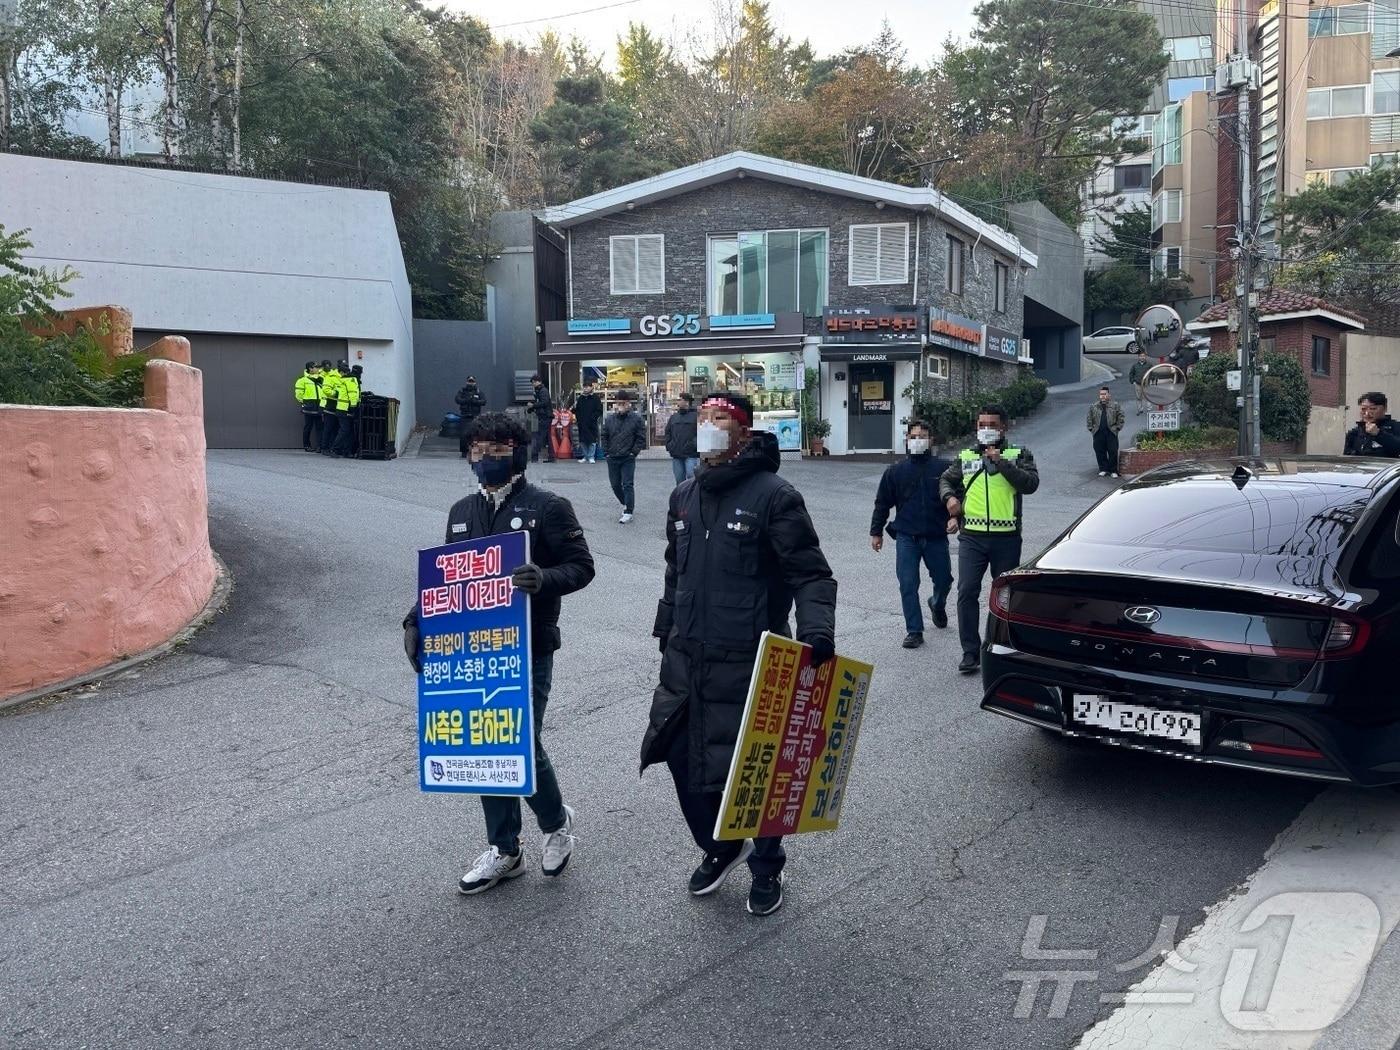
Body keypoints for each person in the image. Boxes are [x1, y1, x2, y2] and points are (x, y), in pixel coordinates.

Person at [642, 394, 836, 917]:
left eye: (719, 418)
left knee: (757, 772)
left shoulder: (775, 495)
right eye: (702, 417)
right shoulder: (683, 494)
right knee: (682, 758)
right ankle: (722, 845)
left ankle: (767, 867)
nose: (707, 425)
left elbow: (810, 574)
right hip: (686, 657)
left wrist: (817, 632)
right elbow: (673, 570)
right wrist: (666, 627)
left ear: (744, 430)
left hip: (752, 657)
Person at [402, 411, 595, 895]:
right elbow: (447, 577)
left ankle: (556, 826)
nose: (486, 459)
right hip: (469, 652)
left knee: (521, 740)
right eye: (478, 451)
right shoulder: (461, 512)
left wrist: (544, 578)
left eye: (497, 450)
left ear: (519, 452)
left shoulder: (549, 507)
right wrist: (415, 620)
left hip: (528, 646)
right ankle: (505, 849)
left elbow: (581, 566)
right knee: (486, 745)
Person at [940, 405, 1040, 675]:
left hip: (1006, 539)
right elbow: (946, 480)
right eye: (981, 424)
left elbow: (1030, 484)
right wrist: (949, 498)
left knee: (1005, 597)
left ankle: (1000, 646)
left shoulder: (1018, 454)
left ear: (1003, 427)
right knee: (967, 591)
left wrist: (1001, 463)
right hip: (971, 537)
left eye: (991, 425)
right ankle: (970, 652)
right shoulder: (966, 456)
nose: (985, 429)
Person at [870, 420, 954, 649]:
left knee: (944, 579)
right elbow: (882, 503)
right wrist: (876, 532)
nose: (918, 440)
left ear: (931, 440)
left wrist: (957, 517)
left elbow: (959, 495)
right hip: (907, 536)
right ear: (907, 440)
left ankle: (937, 603)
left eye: (922, 436)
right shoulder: (895, 471)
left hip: (936, 535)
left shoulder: (944, 469)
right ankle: (914, 630)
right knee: (908, 583)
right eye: (914, 436)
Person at [602, 390, 646, 523]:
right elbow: (604, 436)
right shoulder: (609, 419)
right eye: (618, 402)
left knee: (627, 484)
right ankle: (626, 503)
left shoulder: (636, 418)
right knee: (615, 485)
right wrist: (606, 452)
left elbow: (641, 437)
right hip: (613, 456)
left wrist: (634, 452)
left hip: (628, 457)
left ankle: (629, 510)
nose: (620, 405)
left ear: (628, 403)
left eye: (623, 403)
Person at [1344, 392, 1400, 457]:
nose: (1367, 413)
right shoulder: (1354, 433)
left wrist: (1379, 434)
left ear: (1385, 409)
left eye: (1372, 409)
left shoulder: (1396, 427)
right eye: (1363, 409)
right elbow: (1347, 459)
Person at [1086, 386, 1125, 478]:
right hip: (1098, 432)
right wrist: (1092, 429)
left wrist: (1117, 428)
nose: (1102, 396)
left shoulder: (1115, 405)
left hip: (1111, 432)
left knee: (1113, 451)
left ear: (1108, 395)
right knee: (1100, 451)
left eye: (1104, 394)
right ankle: (1103, 469)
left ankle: (1113, 470)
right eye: (1101, 394)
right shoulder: (1094, 406)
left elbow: (1121, 417)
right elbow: (1089, 418)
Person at [664, 392, 700, 484]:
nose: (678, 402)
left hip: (691, 454)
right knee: (679, 480)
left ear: (687, 402)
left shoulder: (696, 416)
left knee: (691, 478)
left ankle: (692, 497)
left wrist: (695, 445)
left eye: (680, 400)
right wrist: (669, 446)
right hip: (676, 454)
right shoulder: (674, 417)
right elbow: (668, 432)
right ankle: (680, 498)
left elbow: (701, 433)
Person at [333, 359, 360, 458]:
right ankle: (336, 449)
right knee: (345, 430)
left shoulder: (343, 381)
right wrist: (353, 407)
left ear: (343, 373)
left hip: (342, 408)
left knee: (347, 430)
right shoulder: (351, 380)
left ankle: (345, 451)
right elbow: (352, 395)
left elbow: (338, 393)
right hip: (346, 409)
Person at [454, 376, 486, 459]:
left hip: (475, 416)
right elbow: (457, 399)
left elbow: (484, 401)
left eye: (472, 381)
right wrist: (466, 400)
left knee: (476, 435)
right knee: (463, 434)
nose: (471, 383)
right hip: (465, 415)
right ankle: (464, 452)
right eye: (469, 381)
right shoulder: (462, 391)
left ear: (475, 382)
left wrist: (476, 402)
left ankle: (476, 451)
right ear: (467, 382)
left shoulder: (478, 392)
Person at [295, 361, 323, 452]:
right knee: (308, 427)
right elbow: (298, 394)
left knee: (319, 427)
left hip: (319, 406)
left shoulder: (321, 379)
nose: (318, 369)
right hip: (309, 407)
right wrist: (305, 403)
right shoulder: (302, 380)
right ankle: (307, 445)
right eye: (316, 367)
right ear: (310, 368)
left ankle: (320, 446)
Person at [573, 380, 604, 463]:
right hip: (582, 422)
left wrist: (593, 418)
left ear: (591, 387)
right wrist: (578, 418)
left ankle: (591, 456)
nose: (585, 389)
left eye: (587, 387)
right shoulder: (581, 398)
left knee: (592, 441)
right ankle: (585, 456)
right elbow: (577, 410)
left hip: (591, 423)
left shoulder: (595, 398)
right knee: (582, 441)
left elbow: (599, 410)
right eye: (584, 387)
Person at [318, 359, 341, 457]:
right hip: (326, 404)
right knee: (327, 428)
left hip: (337, 405)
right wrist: (336, 394)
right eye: (325, 365)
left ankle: (331, 447)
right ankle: (324, 447)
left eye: (329, 365)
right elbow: (327, 390)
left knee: (334, 428)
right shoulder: (326, 376)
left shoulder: (339, 377)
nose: (328, 367)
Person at [529, 375, 554, 463]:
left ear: (538, 381)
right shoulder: (540, 390)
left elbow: (544, 402)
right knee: (547, 437)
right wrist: (532, 408)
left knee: (540, 436)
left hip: (545, 416)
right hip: (546, 416)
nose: (533, 384)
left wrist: (533, 406)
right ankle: (551, 456)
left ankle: (535, 456)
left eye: (534, 382)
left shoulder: (542, 391)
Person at [1127, 351, 1152, 415]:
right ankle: (1140, 409)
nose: (1142, 357)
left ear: (1145, 357)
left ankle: (1149, 409)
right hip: (1138, 383)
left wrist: (1151, 380)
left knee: (1148, 397)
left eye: (1143, 356)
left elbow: (1153, 373)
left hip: (1147, 384)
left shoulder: (1149, 365)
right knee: (1138, 397)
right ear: (1138, 357)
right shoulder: (1135, 365)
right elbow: (1131, 374)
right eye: (1141, 356)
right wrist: (1133, 381)